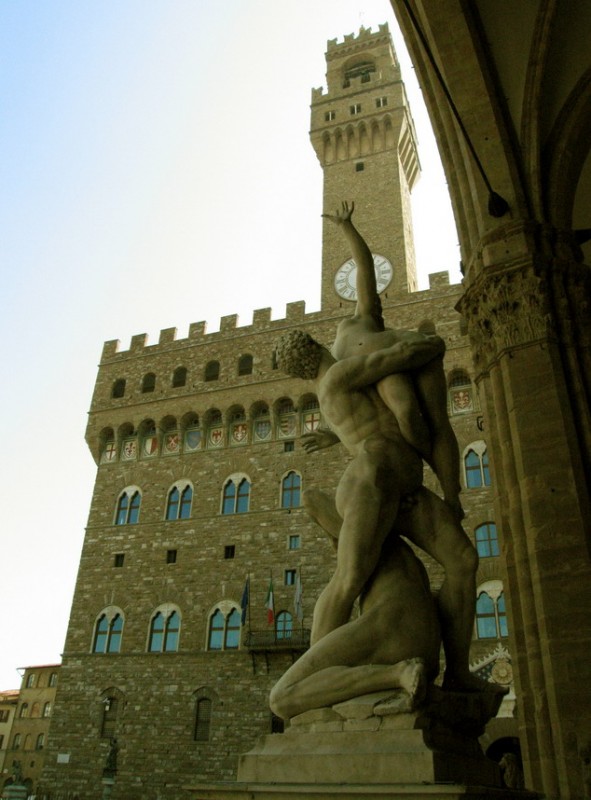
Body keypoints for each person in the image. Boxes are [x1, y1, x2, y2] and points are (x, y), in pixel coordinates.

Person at [275, 329, 497, 694]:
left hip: (404, 487)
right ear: (315, 346)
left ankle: (458, 673)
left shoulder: (336, 390)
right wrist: (433, 343)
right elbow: (396, 357)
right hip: (373, 479)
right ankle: (312, 675)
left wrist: (334, 435)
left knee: (463, 561)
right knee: (351, 577)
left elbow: (362, 415)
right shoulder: (337, 375)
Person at [321, 201, 463, 520]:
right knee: (407, 413)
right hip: (395, 367)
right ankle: (427, 487)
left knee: (430, 419)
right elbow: (356, 415)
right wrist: (332, 434)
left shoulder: (359, 319)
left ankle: (452, 495)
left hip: (418, 351)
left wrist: (347, 227)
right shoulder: (339, 373)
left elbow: (365, 267)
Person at [270, 533, 441, 720]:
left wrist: (318, 661)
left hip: (392, 626)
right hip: (428, 641)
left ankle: (397, 673)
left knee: (281, 699)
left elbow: (347, 581)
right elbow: (461, 565)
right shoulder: (403, 527)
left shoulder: (354, 514)